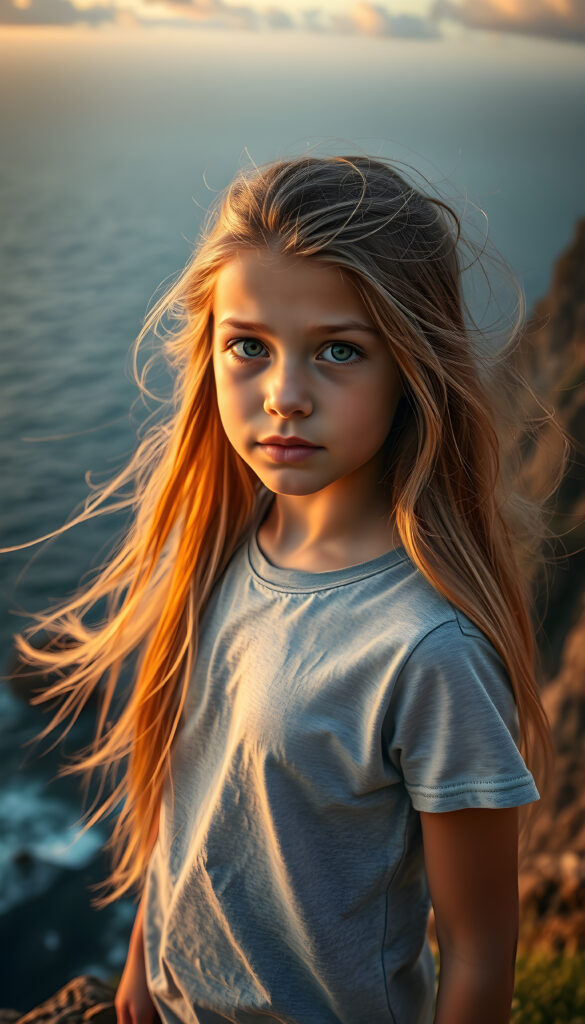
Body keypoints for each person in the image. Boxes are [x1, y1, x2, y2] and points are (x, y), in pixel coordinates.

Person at [8, 153, 564, 1024]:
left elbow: (481, 954)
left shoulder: (427, 651)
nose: (284, 396)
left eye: (339, 350)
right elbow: (196, 801)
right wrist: (140, 981)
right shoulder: (218, 548)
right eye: (249, 347)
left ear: (412, 368)